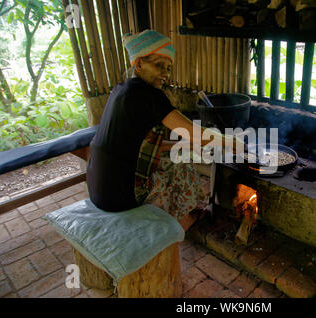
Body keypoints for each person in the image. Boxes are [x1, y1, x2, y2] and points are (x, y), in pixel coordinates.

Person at [86, 30, 243, 229]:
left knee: (176, 158)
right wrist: (233, 142)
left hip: (99, 188)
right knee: (181, 169)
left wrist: (185, 144)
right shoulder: (148, 95)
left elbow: (143, 147)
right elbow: (194, 132)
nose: (165, 74)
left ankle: (181, 215)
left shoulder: (121, 89)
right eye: (159, 65)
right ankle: (179, 224)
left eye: (168, 68)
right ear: (139, 63)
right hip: (121, 197)